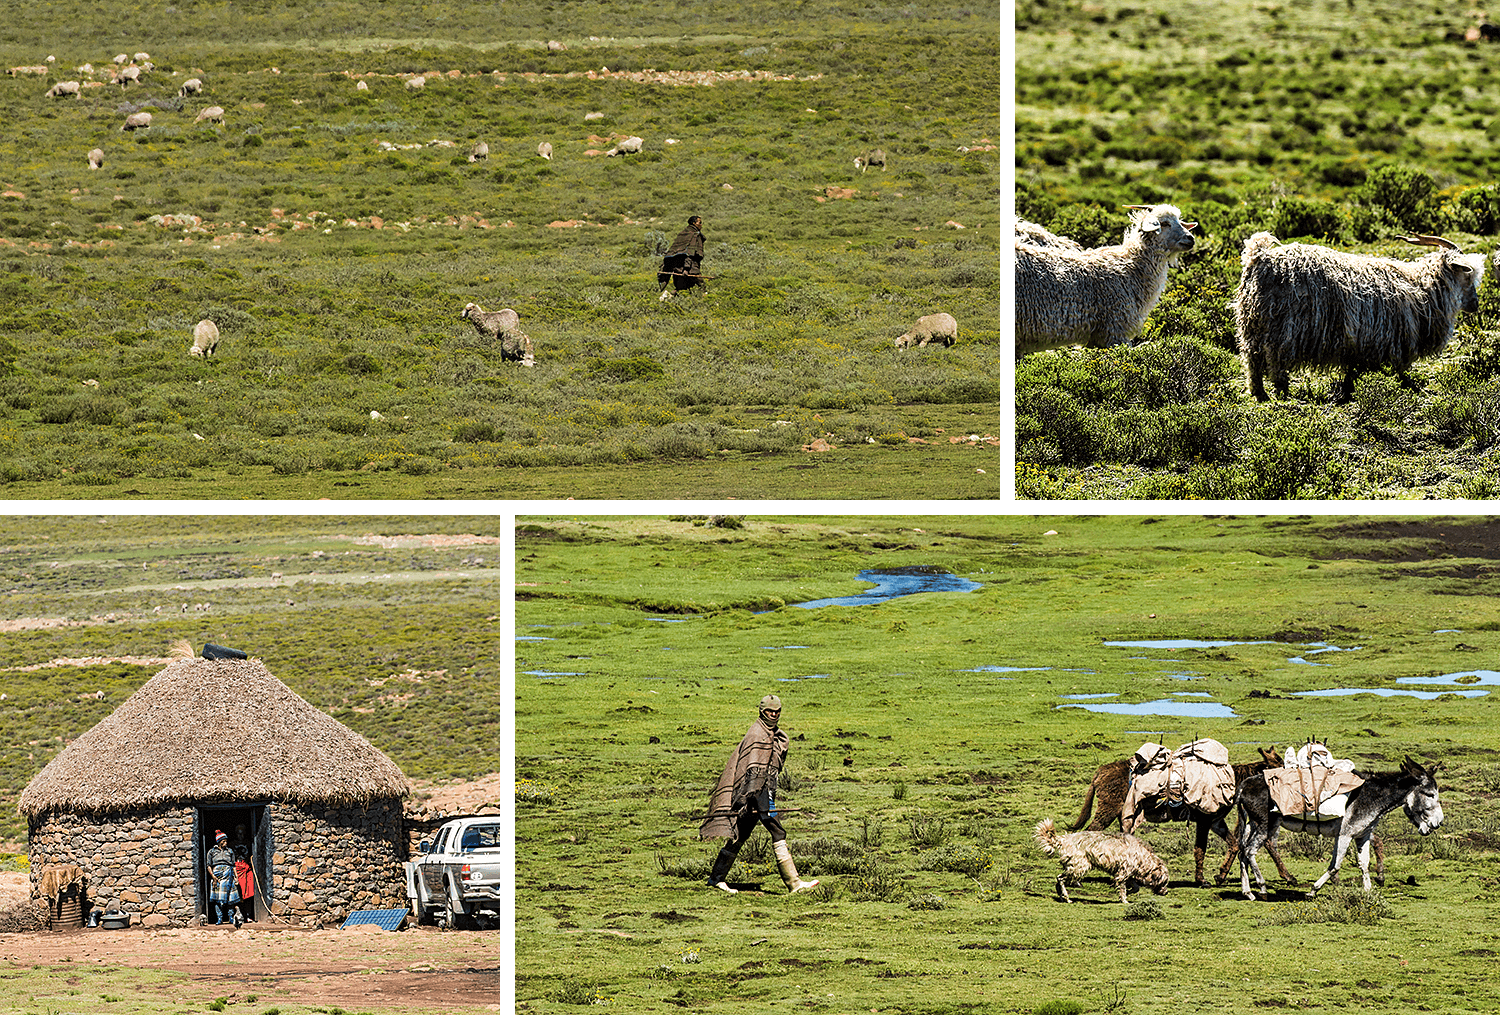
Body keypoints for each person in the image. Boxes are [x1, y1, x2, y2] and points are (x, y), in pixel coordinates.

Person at [699, 695, 820, 894]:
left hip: (760, 792)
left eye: (777, 711)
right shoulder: (757, 734)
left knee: (740, 835)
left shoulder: (772, 733)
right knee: (777, 831)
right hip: (756, 792)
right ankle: (794, 883)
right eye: (770, 712)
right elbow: (752, 769)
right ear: (762, 712)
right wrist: (756, 798)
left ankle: (716, 878)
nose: (774, 715)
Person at [658, 215, 705, 301]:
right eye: (700, 223)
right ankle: (707, 300)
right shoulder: (694, 235)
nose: (701, 225)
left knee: (681, 287)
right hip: (689, 266)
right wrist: (686, 268)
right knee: (700, 284)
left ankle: (667, 297)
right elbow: (689, 253)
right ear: (694, 223)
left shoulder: (683, 234)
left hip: (677, 266)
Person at [207, 830, 242, 926]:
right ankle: (219, 918)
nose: (226, 843)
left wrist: (236, 877)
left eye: (226, 841)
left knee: (230, 897)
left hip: (228, 874)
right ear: (219, 842)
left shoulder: (229, 851)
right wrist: (213, 876)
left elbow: (233, 865)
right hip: (217, 876)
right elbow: (209, 865)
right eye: (224, 841)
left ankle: (231, 917)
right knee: (217, 897)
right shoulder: (212, 851)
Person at [231, 823, 256, 923]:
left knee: (249, 893)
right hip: (237, 870)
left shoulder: (249, 843)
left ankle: (248, 915)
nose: (240, 835)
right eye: (238, 834)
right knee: (237, 893)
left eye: (242, 834)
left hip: (247, 870)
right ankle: (237, 916)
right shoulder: (232, 844)